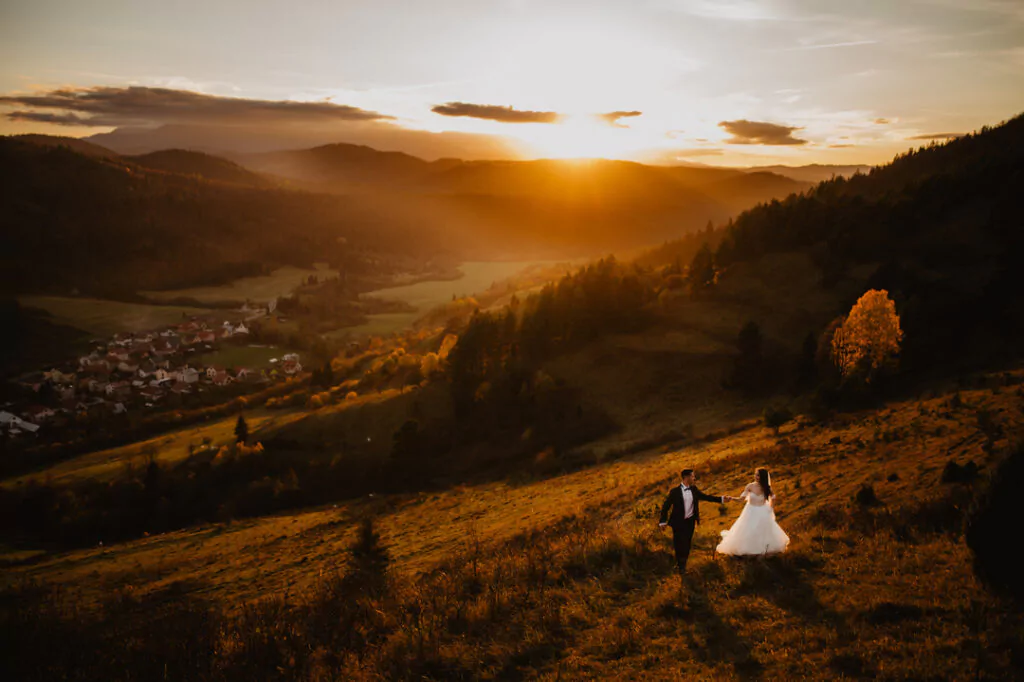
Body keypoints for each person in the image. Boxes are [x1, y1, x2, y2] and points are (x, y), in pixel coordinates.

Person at [659, 468, 733, 572]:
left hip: (690, 522)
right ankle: (679, 565)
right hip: (677, 523)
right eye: (693, 476)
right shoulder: (675, 492)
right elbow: (665, 506)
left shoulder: (694, 489)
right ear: (686, 477)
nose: (694, 478)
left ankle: (682, 566)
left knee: (687, 544)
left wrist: (721, 499)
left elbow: (706, 497)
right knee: (678, 544)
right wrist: (663, 521)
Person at [716, 467, 790, 556]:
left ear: (762, 477)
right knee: (748, 530)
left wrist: (771, 508)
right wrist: (732, 498)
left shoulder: (766, 487)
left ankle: (763, 549)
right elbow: (741, 499)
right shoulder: (750, 486)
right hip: (750, 511)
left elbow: (773, 497)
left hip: (763, 511)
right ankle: (749, 550)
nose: (756, 476)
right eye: (755, 474)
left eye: (758, 475)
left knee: (762, 531)